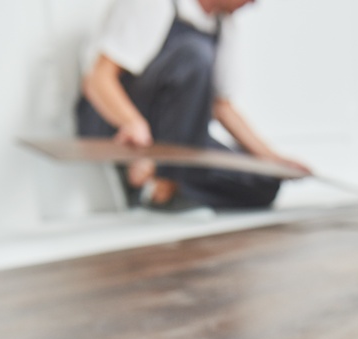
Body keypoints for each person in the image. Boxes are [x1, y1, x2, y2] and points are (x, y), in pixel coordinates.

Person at [77, 0, 310, 210]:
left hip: (179, 137)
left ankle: (159, 183)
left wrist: (273, 160)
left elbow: (221, 106)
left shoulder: (222, 26)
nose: (253, 3)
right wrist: (132, 124)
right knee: (194, 56)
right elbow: (98, 79)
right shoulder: (154, 4)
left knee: (263, 183)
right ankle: (165, 185)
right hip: (115, 124)